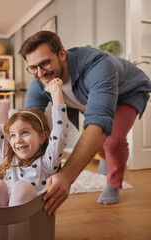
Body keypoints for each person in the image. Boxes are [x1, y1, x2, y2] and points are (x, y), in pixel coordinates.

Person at [14, 31, 151, 216]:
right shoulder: (39, 79)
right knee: (95, 137)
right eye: (33, 67)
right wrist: (11, 165)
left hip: (128, 93)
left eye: (45, 63)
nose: (40, 73)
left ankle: (114, 183)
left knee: (112, 140)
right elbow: (28, 123)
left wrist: (66, 175)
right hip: (93, 98)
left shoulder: (99, 65)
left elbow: (100, 123)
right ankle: (104, 158)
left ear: (61, 54)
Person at [0, 75, 67, 207]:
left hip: (30, 220)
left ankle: (15, 228)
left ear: (42, 137)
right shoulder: (10, 156)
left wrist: (56, 92)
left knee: (21, 188)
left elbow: (59, 133)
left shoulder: (47, 163)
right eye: (13, 135)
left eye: (25, 132)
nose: (18, 140)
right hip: (4, 218)